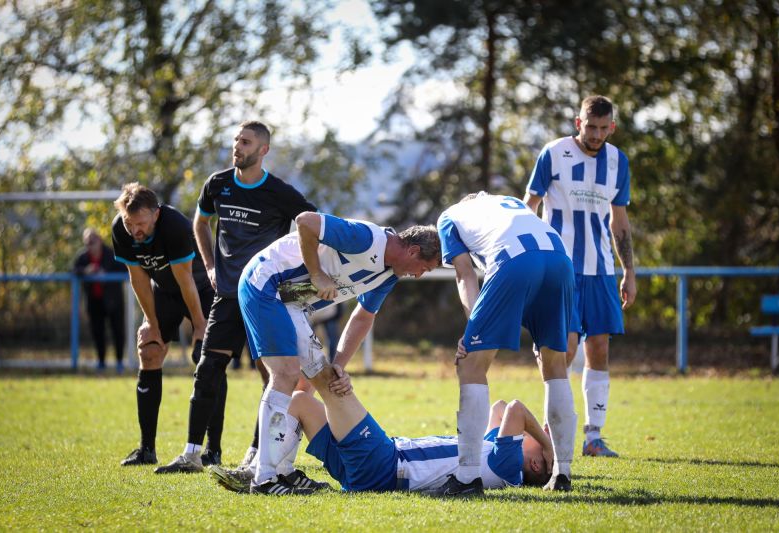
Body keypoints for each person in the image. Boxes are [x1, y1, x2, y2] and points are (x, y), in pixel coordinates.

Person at [235, 211, 441, 494]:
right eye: (424, 268)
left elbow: (363, 317)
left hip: (290, 301)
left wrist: (339, 366)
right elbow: (305, 221)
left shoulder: (389, 275)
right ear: (414, 250)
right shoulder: (367, 239)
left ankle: (283, 471)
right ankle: (264, 478)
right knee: (286, 374)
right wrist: (317, 274)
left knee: (323, 381)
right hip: (266, 283)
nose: (418, 275)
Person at [156, 120, 317, 474]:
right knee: (207, 369)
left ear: (263, 150)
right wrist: (210, 266)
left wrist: (304, 271)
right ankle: (191, 454)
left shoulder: (279, 192)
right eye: (235, 140)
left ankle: (258, 451)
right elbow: (200, 223)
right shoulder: (218, 184)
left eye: (245, 142)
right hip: (227, 297)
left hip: (264, 299)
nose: (237, 147)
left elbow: (312, 223)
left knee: (270, 375)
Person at [210, 365, 552, 495]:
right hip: (369, 469)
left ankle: (266, 479)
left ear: (534, 464)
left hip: (385, 464)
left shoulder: (509, 469)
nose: (530, 437)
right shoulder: (495, 451)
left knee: (326, 380)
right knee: (300, 401)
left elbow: (516, 410)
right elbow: (499, 408)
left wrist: (548, 445)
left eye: (534, 447)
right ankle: (280, 474)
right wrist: (544, 445)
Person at [435, 192, 577, 494]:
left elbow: (465, 275)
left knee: (471, 364)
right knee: (555, 367)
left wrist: (474, 328)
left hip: (514, 258)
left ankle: (467, 477)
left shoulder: (449, 216)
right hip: (560, 258)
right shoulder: (504, 201)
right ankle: (562, 472)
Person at [523, 95, 636, 458]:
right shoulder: (554, 153)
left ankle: (593, 436)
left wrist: (629, 272)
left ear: (612, 127)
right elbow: (530, 207)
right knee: (564, 348)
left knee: (599, 348)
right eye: (591, 127)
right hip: (560, 268)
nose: (597, 134)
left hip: (601, 270)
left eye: (604, 128)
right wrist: (527, 257)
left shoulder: (618, 161)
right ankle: (552, 431)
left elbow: (619, 222)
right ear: (578, 123)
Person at [111, 183, 218, 466]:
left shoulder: (174, 226)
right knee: (149, 350)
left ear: (156, 215)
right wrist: (152, 324)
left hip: (199, 289)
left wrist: (198, 324)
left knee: (208, 360)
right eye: (129, 223)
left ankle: (212, 450)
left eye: (141, 223)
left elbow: (186, 280)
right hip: (164, 290)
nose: (135, 230)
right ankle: (147, 450)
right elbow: (138, 278)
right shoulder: (121, 229)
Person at [73, 228, 127, 372]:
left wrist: (106, 274)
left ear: (99, 241)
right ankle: (101, 363)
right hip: (94, 301)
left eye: (93, 241)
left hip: (114, 301)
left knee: (118, 332)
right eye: (87, 243)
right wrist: (86, 271)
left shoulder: (112, 255)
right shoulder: (83, 257)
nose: (90, 245)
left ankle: (120, 363)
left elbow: (125, 269)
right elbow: (74, 270)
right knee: (98, 332)